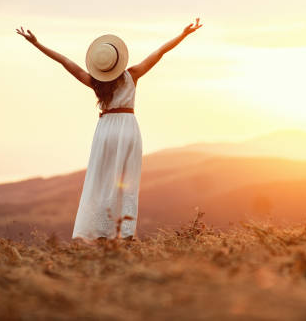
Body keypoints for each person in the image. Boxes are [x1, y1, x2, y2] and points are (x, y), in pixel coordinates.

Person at [15, 18, 203, 243]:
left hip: (105, 130)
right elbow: (160, 51)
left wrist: (37, 44)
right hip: (127, 127)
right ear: (118, 61)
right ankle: (124, 233)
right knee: (128, 180)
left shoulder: (94, 82)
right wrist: (183, 35)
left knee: (102, 179)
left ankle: (100, 231)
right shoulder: (132, 75)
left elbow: (64, 61)